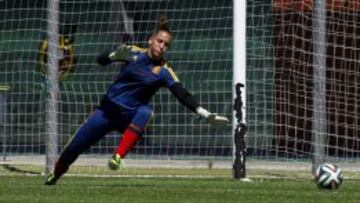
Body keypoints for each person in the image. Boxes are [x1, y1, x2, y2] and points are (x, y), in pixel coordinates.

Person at [45, 16, 229, 185]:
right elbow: (100, 61)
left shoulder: (165, 71)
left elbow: (182, 94)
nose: (162, 46)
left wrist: (205, 114)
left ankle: (117, 157)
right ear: (151, 40)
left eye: (166, 44)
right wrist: (113, 56)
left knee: (146, 112)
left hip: (129, 116)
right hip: (106, 112)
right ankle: (56, 174)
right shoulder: (133, 53)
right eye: (159, 41)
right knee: (74, 147)